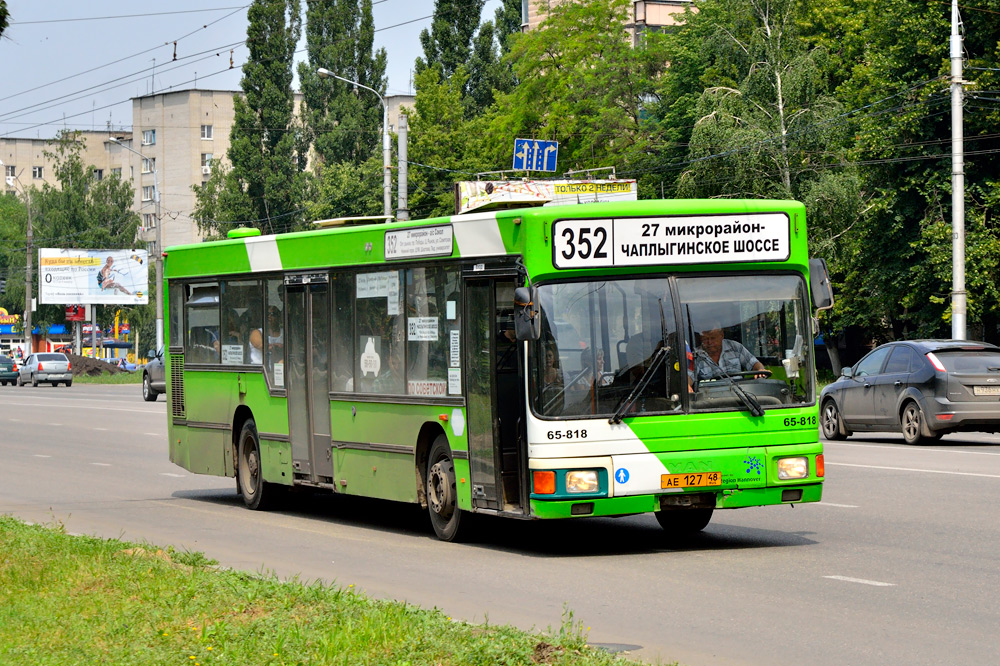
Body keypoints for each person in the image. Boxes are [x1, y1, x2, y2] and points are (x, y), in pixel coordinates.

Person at [693, 326, 766, 385]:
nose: (709, 342)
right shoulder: (697, 355)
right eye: (705, 339)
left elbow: (754, 363)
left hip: (740, 394)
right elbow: (689, 376)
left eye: (713, 338)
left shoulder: (735, 348)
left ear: (722, 335)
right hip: (710, 398)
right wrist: (688, 386)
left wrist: (760, 370)